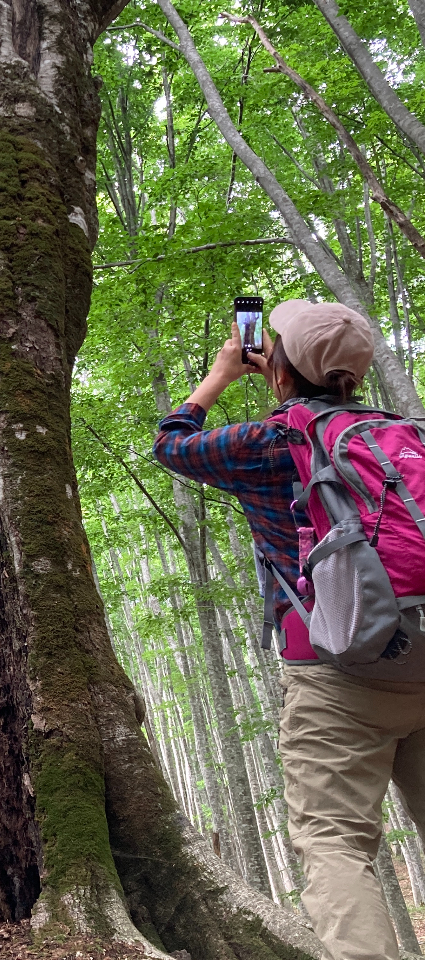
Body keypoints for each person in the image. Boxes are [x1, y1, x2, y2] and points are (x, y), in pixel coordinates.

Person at [154, 300, 425, 960]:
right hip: (423, 650)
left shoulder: (268, 443)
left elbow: (171, 444)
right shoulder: (406, 435)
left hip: (336, 673)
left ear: (277, 370)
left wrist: (221, 374)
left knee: (333, 839)